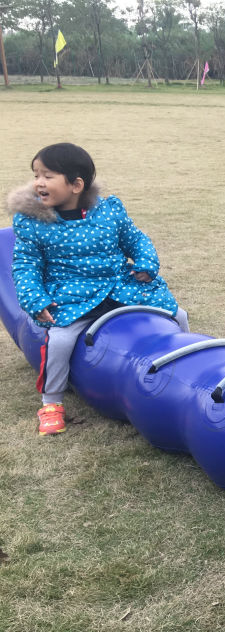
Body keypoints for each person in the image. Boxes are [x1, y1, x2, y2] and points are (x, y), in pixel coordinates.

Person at [7, 142, 189, 436]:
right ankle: (51, 402)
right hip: (72, 295)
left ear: (76, 185)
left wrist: (146, 263)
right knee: (60, 341)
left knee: (177, 314)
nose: (38, 182)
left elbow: (136, 239)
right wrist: (35, 299)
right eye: (36, 175)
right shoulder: (33, 223)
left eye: (48, 176)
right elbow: (25, 265)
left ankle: (184, 367)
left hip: (120, 286)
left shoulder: (108, 211)